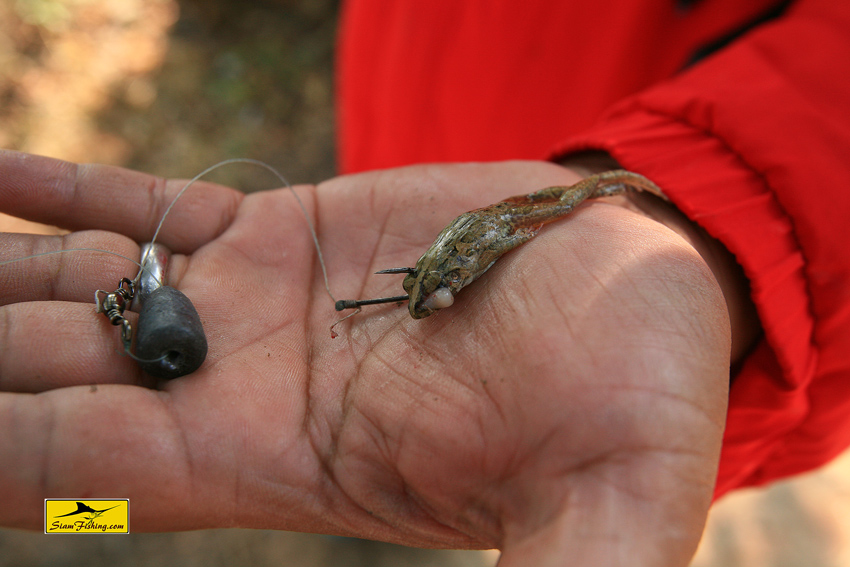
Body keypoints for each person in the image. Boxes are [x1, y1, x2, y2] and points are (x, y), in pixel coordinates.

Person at [0, 2, 847, 567]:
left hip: (664, 127)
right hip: (415, 105)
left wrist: (696, 211)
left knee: (79, 488)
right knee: (60, 491)